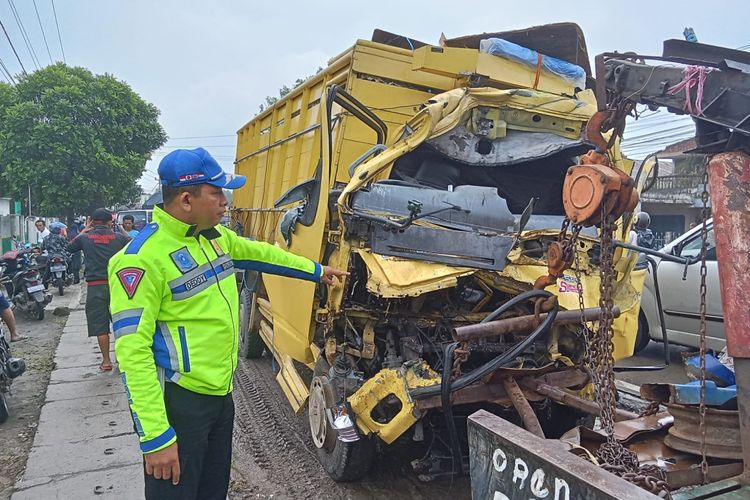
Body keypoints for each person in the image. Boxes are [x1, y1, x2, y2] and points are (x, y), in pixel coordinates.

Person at [109, 147, 348, 499]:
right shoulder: (141, 261)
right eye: (217, 192)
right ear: (187, 199)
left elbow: (263, 254)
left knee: (212, 490)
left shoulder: (216, 239)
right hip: (178, 403)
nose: (226, 201)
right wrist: (155, 436)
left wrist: (317, 271)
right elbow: (133, 354)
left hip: (220, 397)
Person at [68, 208, 131, 371]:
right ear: (110, 221)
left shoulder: (85, 239)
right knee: (120, 321)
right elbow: (133, 243)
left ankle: (106, 361)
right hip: (118, 285)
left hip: (95, 286)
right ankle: (122, 359)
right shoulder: (119, 238)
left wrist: (84, 230)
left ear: (92, 221)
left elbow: (69, 247)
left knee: (99, 323)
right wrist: (120, 227)